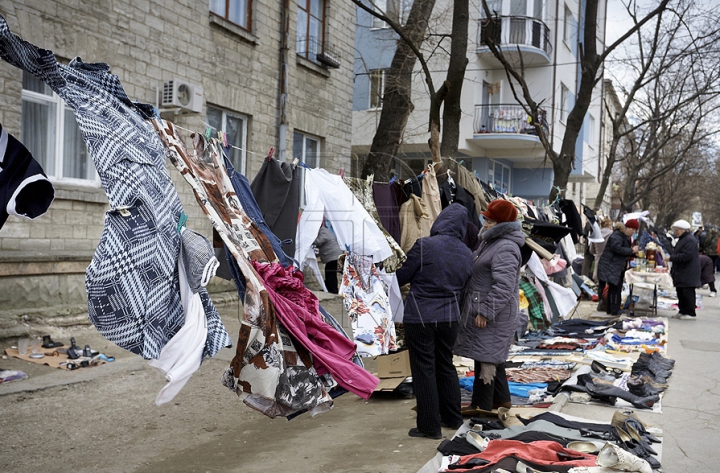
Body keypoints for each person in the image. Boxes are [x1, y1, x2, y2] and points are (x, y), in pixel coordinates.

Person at [395, 203, 473, 439]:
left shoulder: (425, 245)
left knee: (424, 369)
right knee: (445, 365)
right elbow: (465, 290)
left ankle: (429, 426)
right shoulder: (467, 253)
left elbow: (401, 276)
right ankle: (452, 418)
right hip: (450, 318)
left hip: (421, 317)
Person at [454, 199, 525, 413]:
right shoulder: (492, 242)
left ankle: (481, 407)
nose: (485, 223)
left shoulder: (505, 247)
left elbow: (504, 286)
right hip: (490, 310)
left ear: (502, 224)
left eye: (490, 221)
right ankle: (501, 400)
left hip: (495, 314)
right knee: (490, 354)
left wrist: (486, 311)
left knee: (486, 357)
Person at [597, 219, 640, 316]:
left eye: (634, 230)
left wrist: (633, 253)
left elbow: (623, 250)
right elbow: (617, 248)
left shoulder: (624, 236)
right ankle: (614, 310)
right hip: (611, 265)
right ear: (627, 227)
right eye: (631, 229)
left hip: (615, 265)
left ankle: (611, 310)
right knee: (615, 288)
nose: (632, 232)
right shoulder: (618, 235)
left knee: (614, 288)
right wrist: (631, 250)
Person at [667, 219, 701, 319]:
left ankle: (690, 312)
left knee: (687, 292)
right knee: (680, 292)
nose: (675, 232)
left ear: (683, 230)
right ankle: (682, 311)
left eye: (677, 230)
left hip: (688, 271)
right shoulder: (683, 239)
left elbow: (686, 255)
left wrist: (671, 258)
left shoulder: (690, 240)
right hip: (682, 271)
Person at [589, 217, 614, 311]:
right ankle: (607, 302)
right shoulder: (612, 234)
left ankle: (601, 302)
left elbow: (591, 250)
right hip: (609, 260)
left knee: (601, 283)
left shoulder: (596, 234)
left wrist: (598, 252)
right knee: (609, 283)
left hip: (598, 259)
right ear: (609, 225)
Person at [313, 224, 342, 294]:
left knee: (331, 273)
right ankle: (328, 288)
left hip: (333, 256)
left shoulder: (323, 231)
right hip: (334, 255)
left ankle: (333, 290)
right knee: (329, 272)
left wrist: (311, 241)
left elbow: (319, 241)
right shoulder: (325, 230)